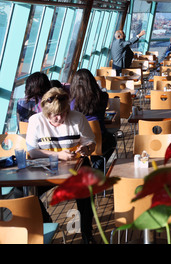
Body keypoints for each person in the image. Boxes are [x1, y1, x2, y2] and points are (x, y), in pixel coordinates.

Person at [26, 87, 97, 243]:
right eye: (53, 115)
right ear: (46, 113)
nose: (58, 119)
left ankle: (86, 232)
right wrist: (59, 155)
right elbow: (32, 152)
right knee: (26, 193)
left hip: (76, 165)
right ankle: (45, 222)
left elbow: (91, 142)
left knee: (86, 191)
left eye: (62, 114)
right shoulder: (36, 121)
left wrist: (86, 148)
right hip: (45, 167)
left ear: (67, 110)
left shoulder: (78, 118)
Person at [69, 69, 116, 168]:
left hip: (78, 143)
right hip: (100, 139)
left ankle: (96, 166)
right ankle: (97, 165)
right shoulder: (103, 97)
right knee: (112, 140)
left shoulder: (71, 103)